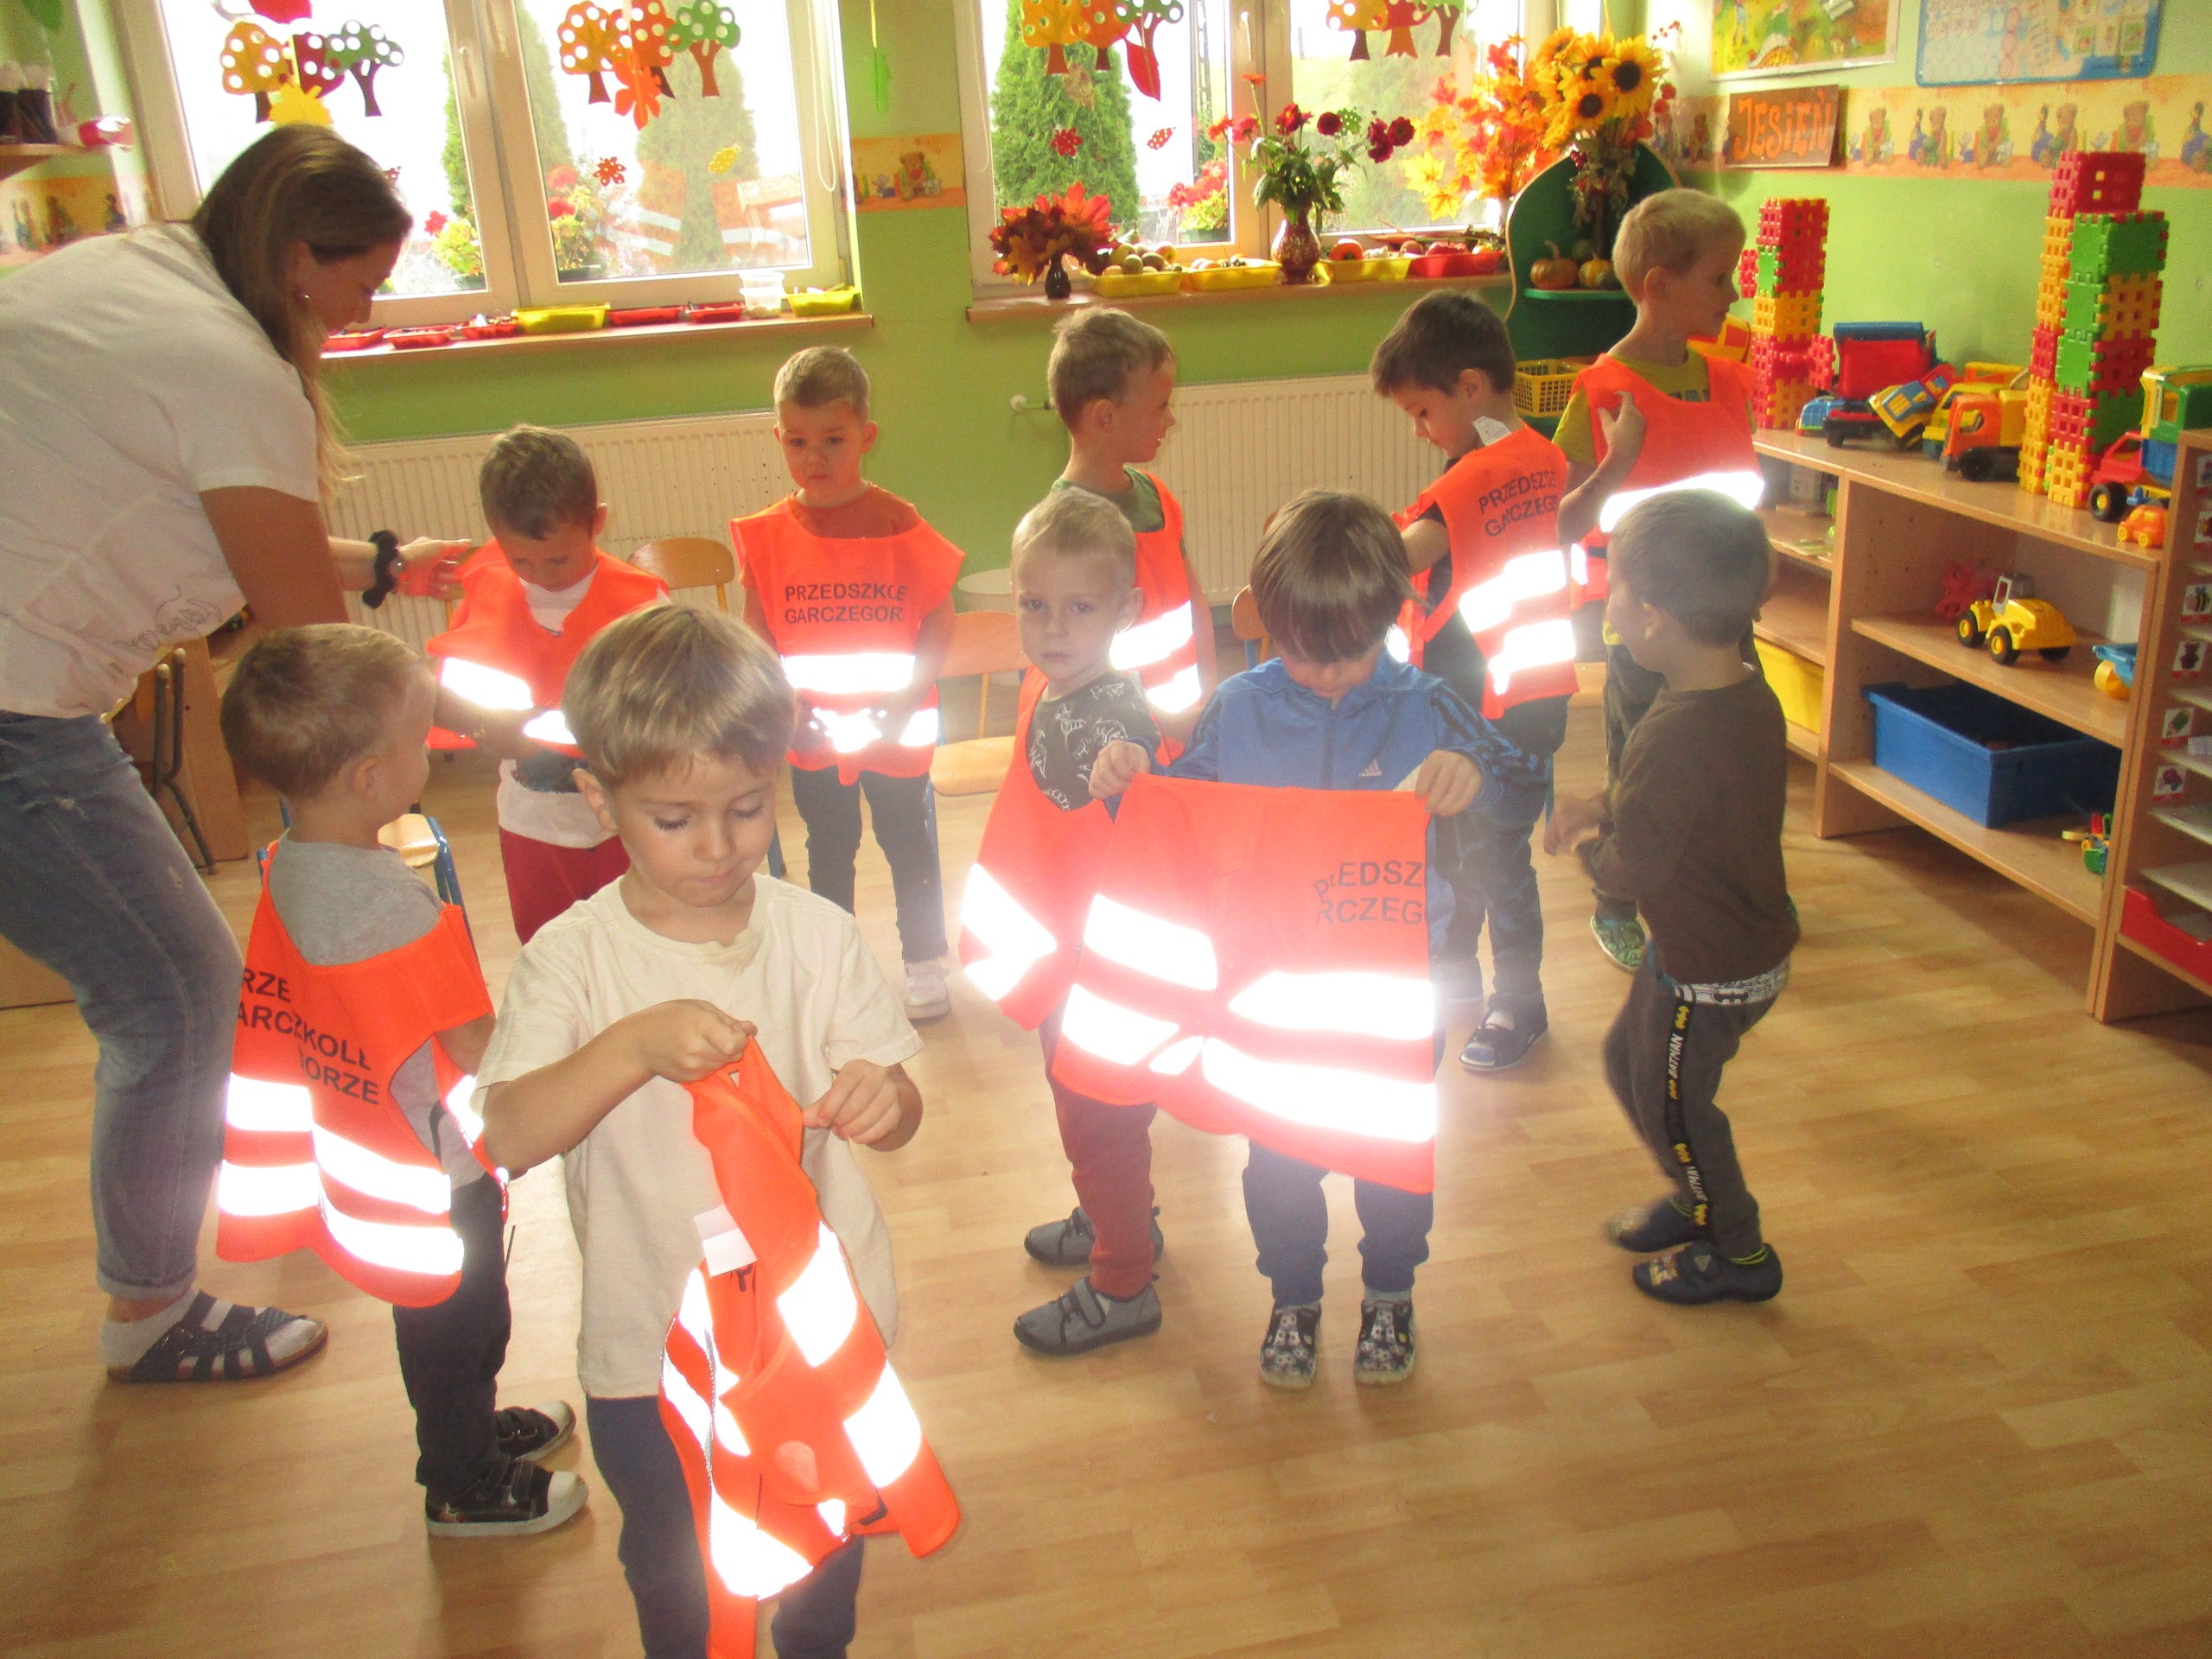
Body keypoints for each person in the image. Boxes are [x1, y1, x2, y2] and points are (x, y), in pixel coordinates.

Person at [0, 124, 466, 1382]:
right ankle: (150, 1313)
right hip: (15, 708)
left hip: (24, 689)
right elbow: (308, 648)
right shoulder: (229, 363)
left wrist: (385, 566)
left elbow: (217, 524)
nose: (367, 310)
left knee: (172, 991)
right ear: (300, 259)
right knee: (174, 999)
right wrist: (416, 740)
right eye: (363, 282)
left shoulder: (134, 270)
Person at [473, 605, 926, 1659]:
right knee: (675, 1564)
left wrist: (886, 1101)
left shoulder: (815, 934)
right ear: (601, 800)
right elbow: (509, 1134)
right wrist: (630, 1046)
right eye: (675, 819)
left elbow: (901, 1111)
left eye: (748, 809)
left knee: (826, 1540)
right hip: (650, 1349)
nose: (718, 847)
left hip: (815, 1331)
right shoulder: (571, 959)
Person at [1091, 492, 1547, 1389]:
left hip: (1397, 993)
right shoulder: (1239, 708)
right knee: (1278, 1162)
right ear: (1265, 621)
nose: (1330, 673)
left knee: (1390, 1162)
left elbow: (1524, 784)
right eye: (1305, 651)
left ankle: (1390, 1292)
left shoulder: (1431, 705)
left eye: (1352, 650)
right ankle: (1293, 1294)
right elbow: (1183, 819)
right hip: (1273, 993)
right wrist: (1129, 780)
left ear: (1391, 618)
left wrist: (1477, 773)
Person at [218, 624, 587, 1534]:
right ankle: (464, 1482)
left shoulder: (295, 862)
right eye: (421, 742)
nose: (430, 753)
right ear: (370, 779)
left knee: (446, 1323)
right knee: (458, 1324)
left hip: (376, 1141)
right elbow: (478, 1043)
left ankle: (467, 1432)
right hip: (432, 1168)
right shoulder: (385, 903)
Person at [1543, 492, 1796, 1306]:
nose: (1604, 597)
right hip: (1710, 941)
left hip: (1711, 970)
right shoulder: (1742, 694)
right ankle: (1697, 1197)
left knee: (1678, 1109)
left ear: (1651, 619)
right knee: (1629, 1064)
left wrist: (1586, 847)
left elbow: (1633, 872)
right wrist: (1605, 804)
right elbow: (1675, 802)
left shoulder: (1673, 731)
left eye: (1613, 583)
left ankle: (1739, 1250)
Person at [974, 491, 1168, 1356]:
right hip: (1065, 956)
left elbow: (1148, 787)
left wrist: (1134, 768)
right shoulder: (1048, 682)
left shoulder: (1115, 722)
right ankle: (1116, 1215)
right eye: (1034, 604)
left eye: (1079, 608)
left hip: (1102, 968)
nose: (1052, 628)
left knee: (1099, 1118)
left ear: (1126, 610)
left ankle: (1124, 1282)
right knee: (1088, 1113)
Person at [1552, 188, 1760, 975]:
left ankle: (1729, 890)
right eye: (1719, 277)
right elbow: (1562, 519)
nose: (1732, 292)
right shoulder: (1601, 393)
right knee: (1640, 771)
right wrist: (1616, 464)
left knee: (1733, 761)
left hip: (1727, 623)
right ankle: (1615, 899)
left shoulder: (1730, 383)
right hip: (1644, 635)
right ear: (1659, 286)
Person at [1371, 290, 1578, 1074]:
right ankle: (1457, 977)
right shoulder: (1540, 457)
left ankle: (1519, 1003)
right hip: (1517, 705)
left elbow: (1403, 558)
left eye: (1422, 412)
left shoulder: (1473, 478)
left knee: (1493, 863)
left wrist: (1324, 557)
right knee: (1464, 849)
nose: (1419, 431)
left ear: (1468, 386)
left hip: (1496, 718)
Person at [734, 347, 964, 1023]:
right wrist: (783, 705)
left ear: (866, 437)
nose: (815, 458)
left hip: (896, 731)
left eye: (833, 441)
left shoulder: (900, 523)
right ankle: (833, 971)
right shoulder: (769, 535)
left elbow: (939, 622)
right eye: (798, 442)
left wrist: (905, 698)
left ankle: (924, 964)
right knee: (829, 852)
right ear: (778, 438)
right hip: (812, 734)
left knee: (909, 847)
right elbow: (756, 634)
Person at [425, 425, 667, 945]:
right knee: (548, 952)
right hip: (530, 824)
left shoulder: (643, 605)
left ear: (597, 522)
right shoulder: (485, 595)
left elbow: (672, 714)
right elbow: (456, 698)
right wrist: (483, 727)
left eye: (558, 559)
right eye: (521, 560)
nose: (541, 574)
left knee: (637, 948)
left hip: (625, 826)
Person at [1049, 308, 1217, 743]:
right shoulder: (1062, 528)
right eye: (1161, 406)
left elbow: (1195, 605)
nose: (1171, 419)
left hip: (1186, 728)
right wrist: (1152, 728)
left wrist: (1210, 697)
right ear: (1106, 417)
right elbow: (1071, 655)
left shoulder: (1159, 497)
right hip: (1119, 743)